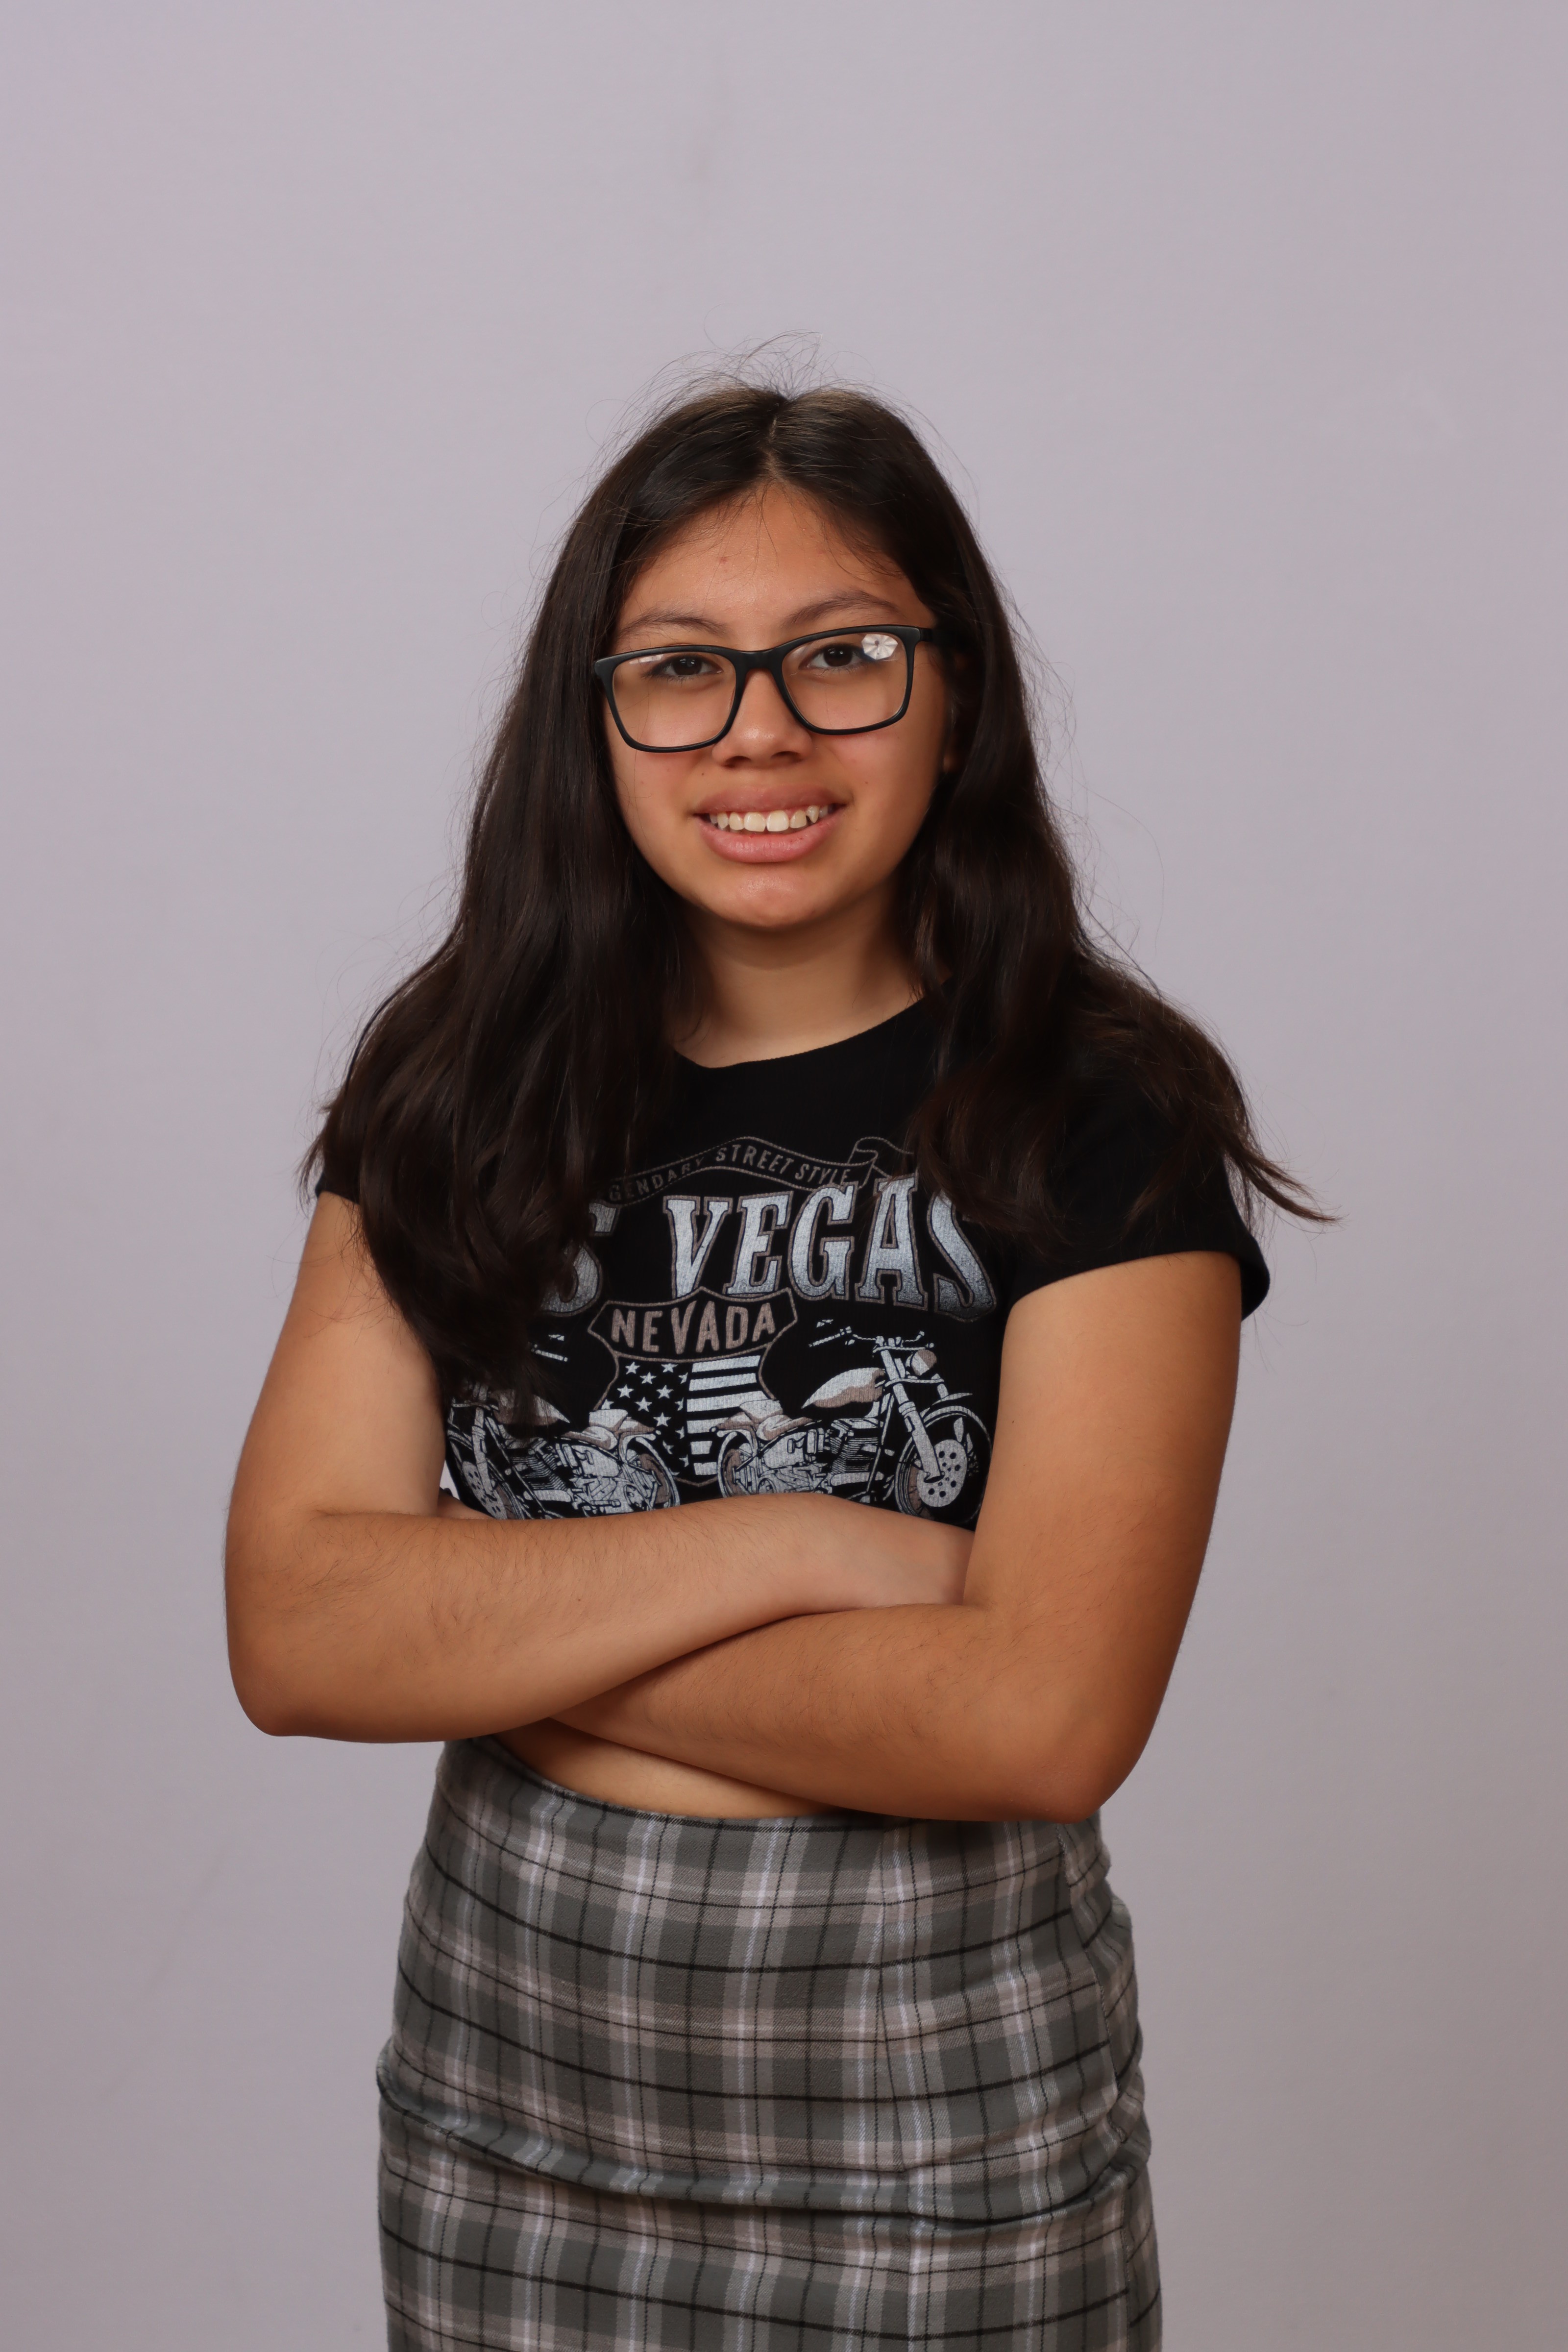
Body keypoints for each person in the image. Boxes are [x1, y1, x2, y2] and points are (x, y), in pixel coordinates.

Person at [227, 378, 1311, 2351]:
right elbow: (299, 1635)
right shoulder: (459, 1083)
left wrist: (494, 1623)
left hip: (939, 2104)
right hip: (507, 2086)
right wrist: (813, 1547)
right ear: (594, 716)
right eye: (679, 668)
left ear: (953, 695)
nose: (758, 732)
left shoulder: (1095, 1112)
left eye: (841, 657)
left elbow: (1038, 1723)